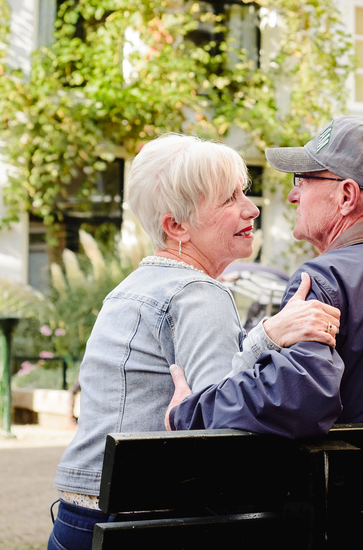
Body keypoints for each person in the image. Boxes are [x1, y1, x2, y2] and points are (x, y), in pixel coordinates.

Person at [47, 134, 342, 550]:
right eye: (228, 200)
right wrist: (269, 336)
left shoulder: (132, 287)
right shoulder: (197, 292)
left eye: (245, 193)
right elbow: (220, 425)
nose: (251, 209)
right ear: (176, 226)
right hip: (138, 520)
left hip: (79, 518)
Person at [166, 117, 363, 436]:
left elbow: (292, 400)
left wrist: (187, 414)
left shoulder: (325, 279)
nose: (294, 196)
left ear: (346, 196)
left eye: (302, 179)